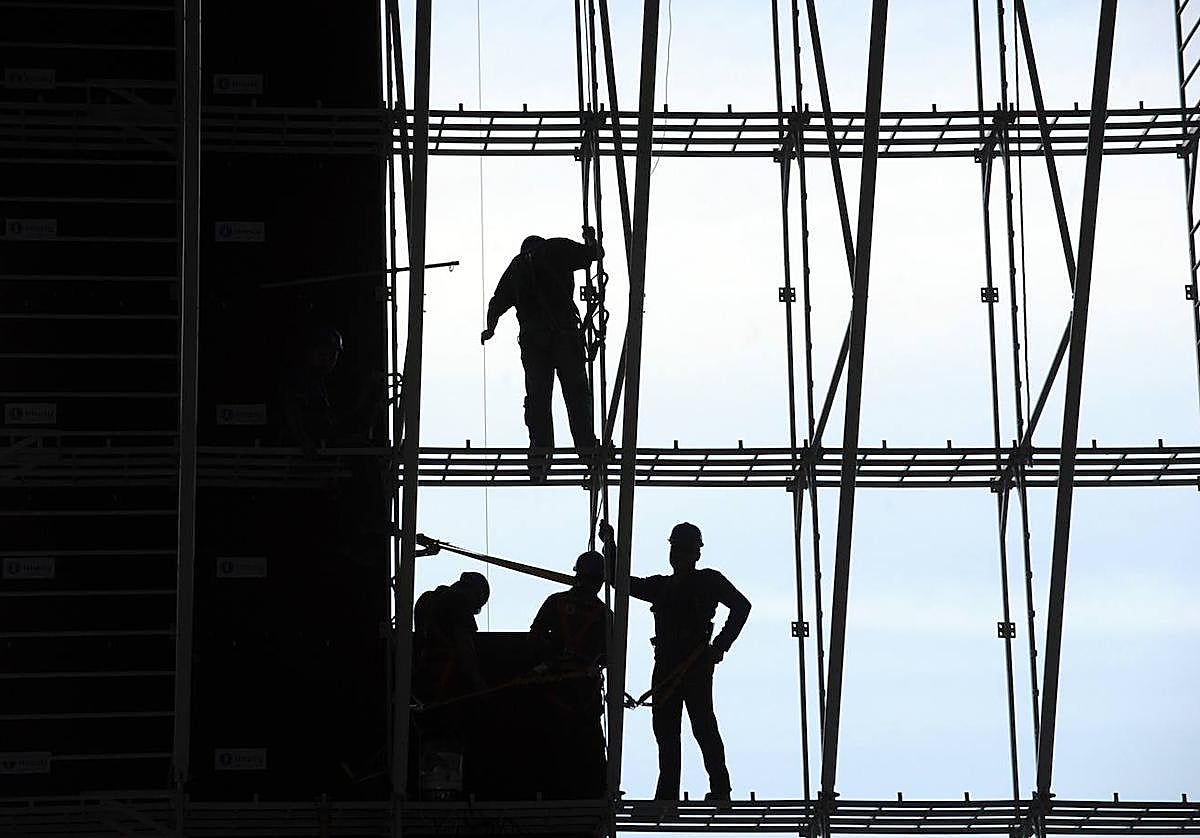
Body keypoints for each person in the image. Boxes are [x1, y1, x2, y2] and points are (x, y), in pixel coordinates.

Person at [599, 519, 751, 803]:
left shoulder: (708, 580)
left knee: (702, 726)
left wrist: (719, 647)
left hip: (693, 665)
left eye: (683, 549)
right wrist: (610, 546)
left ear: (695, 553)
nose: (678, 555)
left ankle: (719, 790)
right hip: (669, 664)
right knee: (667, 731)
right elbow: (621, 581)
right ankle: (668, 794)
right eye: (676, 549)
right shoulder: (663, 586)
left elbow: (742, 606)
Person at [481, 228, 602, 481]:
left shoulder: (515, 267)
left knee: (538, 397)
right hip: (565, 335)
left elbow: (496, 302)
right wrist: (590, 238)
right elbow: (594, 254)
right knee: (576, 393)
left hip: (534, 340)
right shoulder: (556, 248)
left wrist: (490, 329)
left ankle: (540, 455)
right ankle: (588, 451)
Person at [529, 550, 612, 797]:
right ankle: (593, 792)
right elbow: (610, 656)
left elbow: (535, 638)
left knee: (553, 747)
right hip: (583, 693)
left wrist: (549, 657)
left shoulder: (556, 602)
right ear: (600, 580)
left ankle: (549, 792)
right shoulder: (604, 614)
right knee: (589, 750)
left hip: (555, 689)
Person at [278, 325, 384, 455]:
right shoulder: (301, 379)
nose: (329, 359)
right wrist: (304, 440)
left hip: (322, 444)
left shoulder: (318, 382)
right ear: (312, 351)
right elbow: (292, 409)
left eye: (333, 355)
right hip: (315, 448)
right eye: (324, 353)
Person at [413, 571, 491, 704]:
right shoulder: (459, 604)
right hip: (445, 680)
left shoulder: (427, 599)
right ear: (475, 594)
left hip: (420, 676)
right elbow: (466, 651)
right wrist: (480, 686)